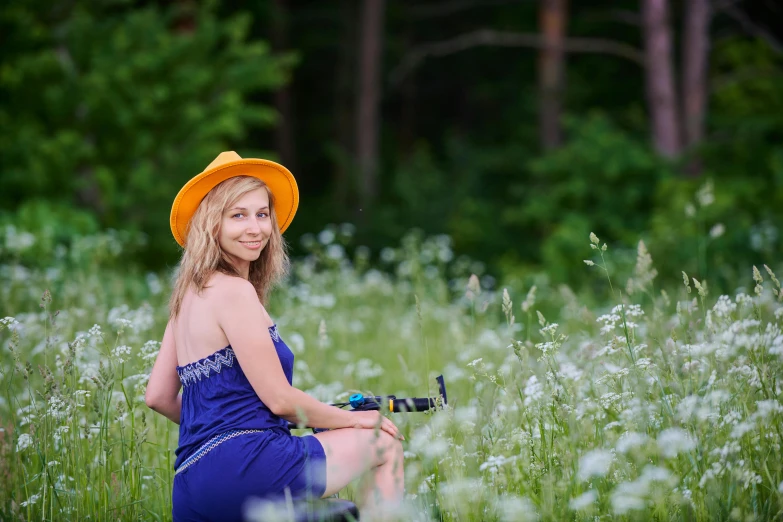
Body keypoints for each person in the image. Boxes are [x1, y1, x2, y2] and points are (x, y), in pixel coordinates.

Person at [145, 151, 405, 521]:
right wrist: (353, 419)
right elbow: (281, 401)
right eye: (238, 215)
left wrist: (219, 431)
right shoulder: (235, 291)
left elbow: (156, 396)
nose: (255, 228)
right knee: (384, 441)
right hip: (249, 466)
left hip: (192, 480)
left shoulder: (186, 296)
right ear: (210, 224)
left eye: (262, 214)